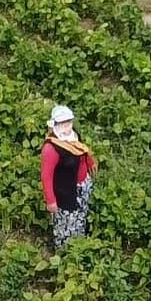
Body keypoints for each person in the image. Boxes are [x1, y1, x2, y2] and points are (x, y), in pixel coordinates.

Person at [40, 104, 97, 250]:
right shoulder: (51, 148)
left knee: (81, 215)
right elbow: (46, 176)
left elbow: (81, 151)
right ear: (55, 125)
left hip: (82, 186)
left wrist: (90, 163)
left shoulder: (73, 136)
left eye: (69, 123)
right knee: (67, 223)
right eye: (63, 124)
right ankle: (66, 252)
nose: (67, 127)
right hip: (66, 192)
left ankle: (80, 244)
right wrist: (51, 201)